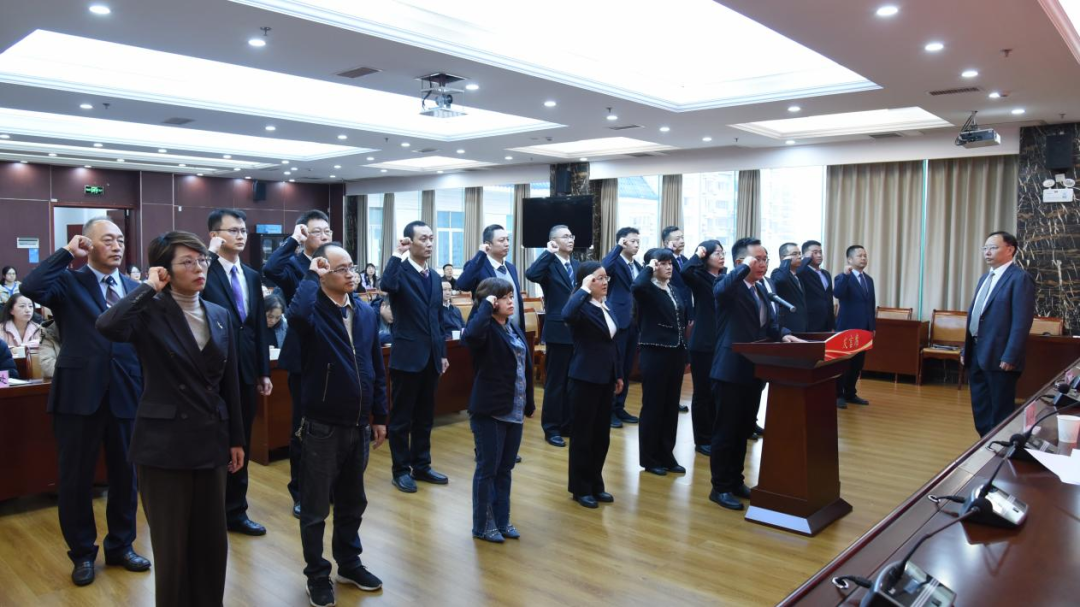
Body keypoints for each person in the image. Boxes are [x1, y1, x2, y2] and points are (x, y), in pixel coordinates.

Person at [95, 231, 244, 607]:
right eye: (187, 262)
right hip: (163, 446)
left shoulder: (219, 314)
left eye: (202, 260)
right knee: (172, 547)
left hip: (210, 439)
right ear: (165, 270)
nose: (199, 268)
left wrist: (236, 438)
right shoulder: (149, 312)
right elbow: (108, 326)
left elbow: (230, 384)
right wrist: (148, 288)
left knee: (211, 542)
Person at [20, 218, 148, 587]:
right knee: (76, 478)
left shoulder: (135, 288)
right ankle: (82, 553)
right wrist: (66, 253)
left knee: (126, 477)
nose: (117, 245)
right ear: (87, 244)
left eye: (120, 239)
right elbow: (31, 286)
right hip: (78, 395)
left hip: (126, 392)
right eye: (107, 239)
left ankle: (121, 546)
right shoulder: (68, 281)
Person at [287, 243, 387, 607]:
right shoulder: (313, 311)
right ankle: (317, 574)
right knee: (315, 509)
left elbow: (375, 365)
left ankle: (349, 563)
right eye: (341, 269)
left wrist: (380, 416)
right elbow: (296, 316)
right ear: (323, 274)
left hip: (358, 424)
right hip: (322, 426)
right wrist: (309, 275)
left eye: (352, 267)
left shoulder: (364, 311)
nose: (351, 274)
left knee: (352, 502)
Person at [709, 238, 800, 511]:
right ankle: (720, 487)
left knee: (743, 430)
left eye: (765, 259)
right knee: (726, 431)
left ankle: (736, 480)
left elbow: (768, 325)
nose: (763, 264)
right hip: (729, 370)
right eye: (757, 259)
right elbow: (721, 290)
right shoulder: (727, 285)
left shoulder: (760, 289)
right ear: (741, 262)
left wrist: (784, 335)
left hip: (754, 369)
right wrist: (742, 268)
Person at [203, 208, 272, 536]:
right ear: (215, 236)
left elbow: (257, 326)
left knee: (240, 440)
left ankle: (236, 510)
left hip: (245, 370)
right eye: (233, 230)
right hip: (212, 371)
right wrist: (208, 257)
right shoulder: (205, 270)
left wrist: (263, 370)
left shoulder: (252, 275)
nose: (241, 235)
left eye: (243, 230)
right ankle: (209, 510)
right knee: (212, 442)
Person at [263, 209, 334, 517]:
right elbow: (270, 268)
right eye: (317, 232)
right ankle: (301, 491)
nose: (324, 236)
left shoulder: (335, 262)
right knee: (303, 428)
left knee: (331, 427)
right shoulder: (293, 265)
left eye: (328, 231)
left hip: (333, 355)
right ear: (305, 235)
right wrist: (293, 240)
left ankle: (328, 487)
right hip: (304, 357)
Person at [461, 277, 534, 542]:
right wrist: (484, 306)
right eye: (503, 298)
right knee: (487, 469)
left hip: (513, 408)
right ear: (491, 302)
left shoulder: (511, 327)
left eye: (511, 296)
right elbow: (470, 337)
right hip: (489, 410)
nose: (510, 301)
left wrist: (529, 402)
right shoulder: (484, 328)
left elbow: (523, 368)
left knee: (505, 468)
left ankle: (502, 520)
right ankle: (483, 525)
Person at [380, 220, 449, 493]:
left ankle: (422, 465)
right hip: (407, 357)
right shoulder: (400, 271)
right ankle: (400, 470)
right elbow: (387, 284)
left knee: (425, 416)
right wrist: (396, 254)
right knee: (401, 419)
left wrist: (442, 353)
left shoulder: (434, 276)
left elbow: (438, 318)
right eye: (423, 238)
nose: (429, 243)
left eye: (431, 238)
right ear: (409, 242)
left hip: (431, 357)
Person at [962, 231, 1036, 437]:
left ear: (1010, 249)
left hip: (1000, 356)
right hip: (976, 352)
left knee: (1000, 411)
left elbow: (1022, 322)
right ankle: (985, 443)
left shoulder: (1020, 278)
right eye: (985, 248)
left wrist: (1011, 355)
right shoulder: (984, 278)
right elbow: (976, 316)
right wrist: (966, 349)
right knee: (980, 407)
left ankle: (1000, 447)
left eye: (993, 248)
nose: (987, 252)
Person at [563, 262, 623, 508]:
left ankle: (596, 484)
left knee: (601, 436)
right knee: (583, 436)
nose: (605, 282)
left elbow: (611, 344)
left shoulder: (604, 306)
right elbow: (566, 315)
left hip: (605, 378)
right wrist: (584, 289)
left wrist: (618, 374)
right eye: (599, 278)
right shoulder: (580, 307)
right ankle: (581, 488)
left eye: (606, 277)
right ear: (587, 281)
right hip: (584, 378)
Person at [632, 248, 688, 475]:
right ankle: (650, 458)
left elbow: (681, 320)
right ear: (653, 266)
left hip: (675, 352)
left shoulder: (672, 289)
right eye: (662, 263)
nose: (668, 267)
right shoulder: (646, 289)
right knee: (653, 406)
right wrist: (649, 267)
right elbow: (637, 286)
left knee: (670, 406)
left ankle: (667, 454)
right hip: (654, 352)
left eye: (670, 263)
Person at [524, 224, 579, 447]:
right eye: (565, 236)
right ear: (554, 241)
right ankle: (551, 428)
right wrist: (548, 252)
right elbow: (531, 274)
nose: (570, 239)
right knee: (556, 383)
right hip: (558, 331)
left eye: (571, 235)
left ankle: (568, 424)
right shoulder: (549, 264)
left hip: (578, 331)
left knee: (572, 382)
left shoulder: (577, 265)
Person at [681, 240, 726, 455]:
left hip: (722, 341)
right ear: (706, 256)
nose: (721, 256)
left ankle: (716, 433)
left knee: (719, 391)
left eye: (722, 252)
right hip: (703, 342)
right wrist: (698, 254)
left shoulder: (725, 278)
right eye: (716, 253)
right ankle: (702, 440)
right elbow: (684, 271)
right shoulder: (698, 277)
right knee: (703, 393)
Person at [601, 227, 643, 428]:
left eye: (638, 241)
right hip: (619, 321)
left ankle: (619, 407)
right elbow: (604, 267)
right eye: (632, 241)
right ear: (622, 242)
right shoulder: (615, 261)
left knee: (626, 367)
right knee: (615, 367)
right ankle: (608, 411)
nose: (636, 244)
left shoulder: (638, 265)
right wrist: (617, 248)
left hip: (635, 322)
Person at [457, 224, 525, 332]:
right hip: (488, 330)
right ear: (488, 244)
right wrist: (481, 254)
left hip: (513, 330)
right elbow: (462, 285)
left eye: (507, 240)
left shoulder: (511, 267)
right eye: (501, 240)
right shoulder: (477, 265)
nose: (507, 244)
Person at [834, 245, 876, 408]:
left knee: (858, 364)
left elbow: (870, 305)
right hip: (847, 328)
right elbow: (838, 293)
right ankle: (838, 395)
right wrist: (846, 275)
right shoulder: (842, 277)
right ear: (850, 259)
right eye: (860, 256)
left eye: (865, 255)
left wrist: (872, 327)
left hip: (864, 329)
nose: (864, 258)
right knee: (844, 363)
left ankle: (850, 393)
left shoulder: (869, 280)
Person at [797, 240, 835, 333]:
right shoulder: (803, 272)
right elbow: (796, 272)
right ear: (806, 255)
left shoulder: (826, 273)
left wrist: (833, 324)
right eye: (815, 252)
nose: (819, 255)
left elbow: (829, 299)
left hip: (827, 323)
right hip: (810, 322)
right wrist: (806, 259)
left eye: (820, 252)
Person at [771, 242, 808, 334]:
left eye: (799, 253)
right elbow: (781, 280)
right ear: (783, 258)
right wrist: (785, 262)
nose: (799, 256)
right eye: (794, 254)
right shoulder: (777, 272)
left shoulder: (798, 276)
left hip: (801, 324)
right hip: (787, 326)